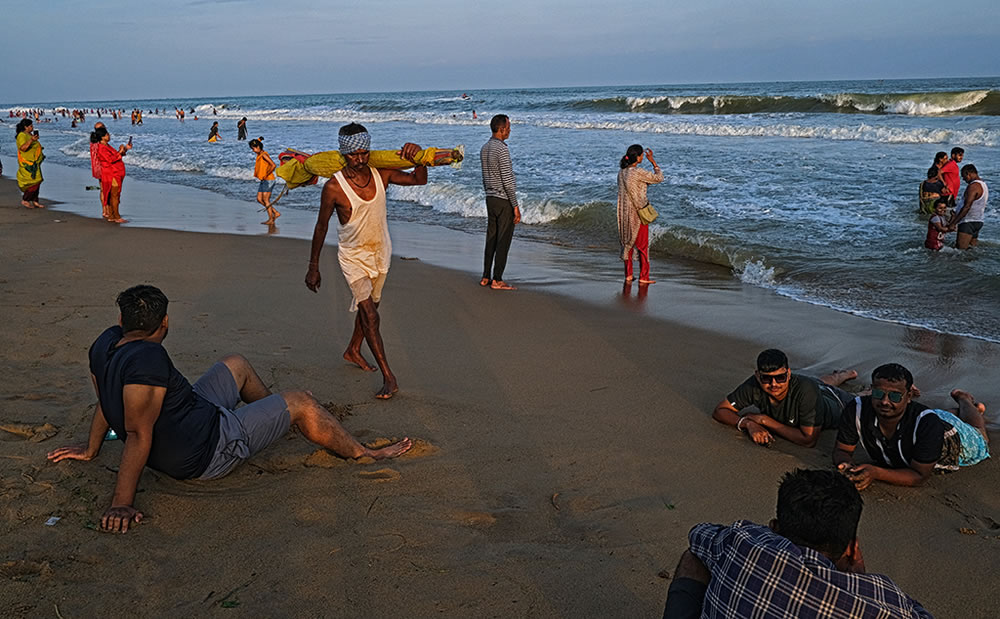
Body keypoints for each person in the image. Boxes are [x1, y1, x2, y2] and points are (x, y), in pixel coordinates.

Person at [46, 285, 412, 533]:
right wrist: (121, 503)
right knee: (300, 400)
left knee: (235, 364)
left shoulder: (105, 344)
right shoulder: (149, 359)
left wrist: (91, 447)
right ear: (165, 324)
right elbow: (139, 434)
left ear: (122, 321)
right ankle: (362, 453)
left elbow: (106, 400)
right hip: (207, 451)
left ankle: (276, 416)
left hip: (193, 416)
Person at [662, 469, 932, 618]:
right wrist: (856, 579)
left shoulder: (742, 541)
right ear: (851, 548)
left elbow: (698, 535)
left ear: (775, 528)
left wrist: (767, 539)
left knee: (695, 557)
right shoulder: (884, 598)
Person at [305, 123, 429, 400]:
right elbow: (321, 227)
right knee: (371, 316)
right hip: (352, 258)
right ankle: (389, 376)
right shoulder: (334, 187)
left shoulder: (380, 174)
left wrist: (418, 157)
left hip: (380, 253)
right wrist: (313, 267)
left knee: (368, 310)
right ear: (343, 154)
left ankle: (352, 350)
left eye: (364, 153)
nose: (360, 160)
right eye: (354, 155)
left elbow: (419, 180)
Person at [833, 363, 990, 490]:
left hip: (949, 437)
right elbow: (842, 450)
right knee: (939, 415)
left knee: (980, 436)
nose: (885, 401)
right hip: (926, 418)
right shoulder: (856, 408)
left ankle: (965, 400)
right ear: (871, 390)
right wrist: (847, 465)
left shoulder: (928, 424)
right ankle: (954, 412)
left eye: (894, 396)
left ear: (909, 396)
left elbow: (919, 476)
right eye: (878, 394)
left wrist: (875, 473)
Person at [711, 348, 856, 447]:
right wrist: (747, 423)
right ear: (757, 375)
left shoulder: (806, 389)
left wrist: (763, 420)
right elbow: (720, 410)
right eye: (766, 378)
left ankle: (850, 381)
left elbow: (808, 440)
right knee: (818, 383)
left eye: (780, 377)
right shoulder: (754, 385)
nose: (773, 384)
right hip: (813, 386)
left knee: (853, 398)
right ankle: (841, 375)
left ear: (788, 373)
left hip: (837, 403)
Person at [480, 114, 520, 290]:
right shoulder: (502, 149)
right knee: (503, 240)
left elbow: (484, 176)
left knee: (491, 238)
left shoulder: (484, 148)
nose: (510, 130)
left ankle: (486, 276)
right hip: (503, 199)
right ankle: (497, 279)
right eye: (508, 127)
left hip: (490, 197)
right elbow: (508, 181)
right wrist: (515, 206)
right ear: (502, 129)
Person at [617, 144, 662, 284]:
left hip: (623, 212)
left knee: (627, 244)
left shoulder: (621, 172)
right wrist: (653, 162)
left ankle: (629, 274)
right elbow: (659, 178)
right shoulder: (638, 172)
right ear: (637, 157)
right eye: (642, 155)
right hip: (638, 213)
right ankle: (644, 277)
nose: (643, 156)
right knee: (642, 246)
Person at [93, 126, 132, 223]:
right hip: (111, 173)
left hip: (115, 172)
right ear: (102, 137)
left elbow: (116, 156)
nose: (109, 136)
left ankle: (112, 215)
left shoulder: (106, 146)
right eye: (107, 134)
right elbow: (111, 159)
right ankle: (116, 216)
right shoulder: (101, 148)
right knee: (114, 194)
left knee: (113, 194)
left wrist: (125, 149)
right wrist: (120, 151)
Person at [948, 164, 988, 249]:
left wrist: (953, 223)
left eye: (963, 177)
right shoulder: (983, 185)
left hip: (968, 222)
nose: (964, 179)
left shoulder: (973, 186)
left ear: (968, 174)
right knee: (970, 251)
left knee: (960, 252)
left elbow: (967, 207)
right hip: (978, 220)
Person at [249, 137, 280, 225]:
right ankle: (275, 213)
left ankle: (271, 219)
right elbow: (258, 142)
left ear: (258, 147)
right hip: (264, 180)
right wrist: (259, 140)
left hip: (269, 180)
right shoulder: (259, 154)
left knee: (266, 200)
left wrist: (267, 174)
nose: (253, 150)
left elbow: (273, 165)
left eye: (253, 148)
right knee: (259, 199)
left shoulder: (264, 155)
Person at [15, 119, 44, 208]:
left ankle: (35, 200)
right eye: (31, 126)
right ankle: (25, 199)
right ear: (25, 127)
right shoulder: (21, 135)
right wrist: (31, 140)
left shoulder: (29, 134)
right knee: (34, 182)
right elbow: (23, 148)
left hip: (35, 162)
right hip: (27, 163)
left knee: (38, 180)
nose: (32, 127)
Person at [89, 122, 109, 218]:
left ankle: (104, 210)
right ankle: (107, 210)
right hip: (103, 168)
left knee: (102, 189)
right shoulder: (101, 143)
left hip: (96, 168)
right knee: (107, 190)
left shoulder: (93, 142)